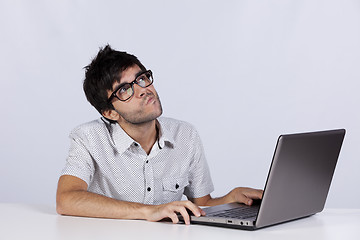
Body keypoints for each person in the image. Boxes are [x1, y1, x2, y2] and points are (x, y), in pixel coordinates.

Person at [56, 45, 263, 225]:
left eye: (142, 78)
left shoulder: (186, 135)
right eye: (125, 90)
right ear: (110, 113)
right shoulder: (88, 138)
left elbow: (202, 205)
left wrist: (231, 198)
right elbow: (66, 199)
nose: (143, 90)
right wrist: (148, 211)